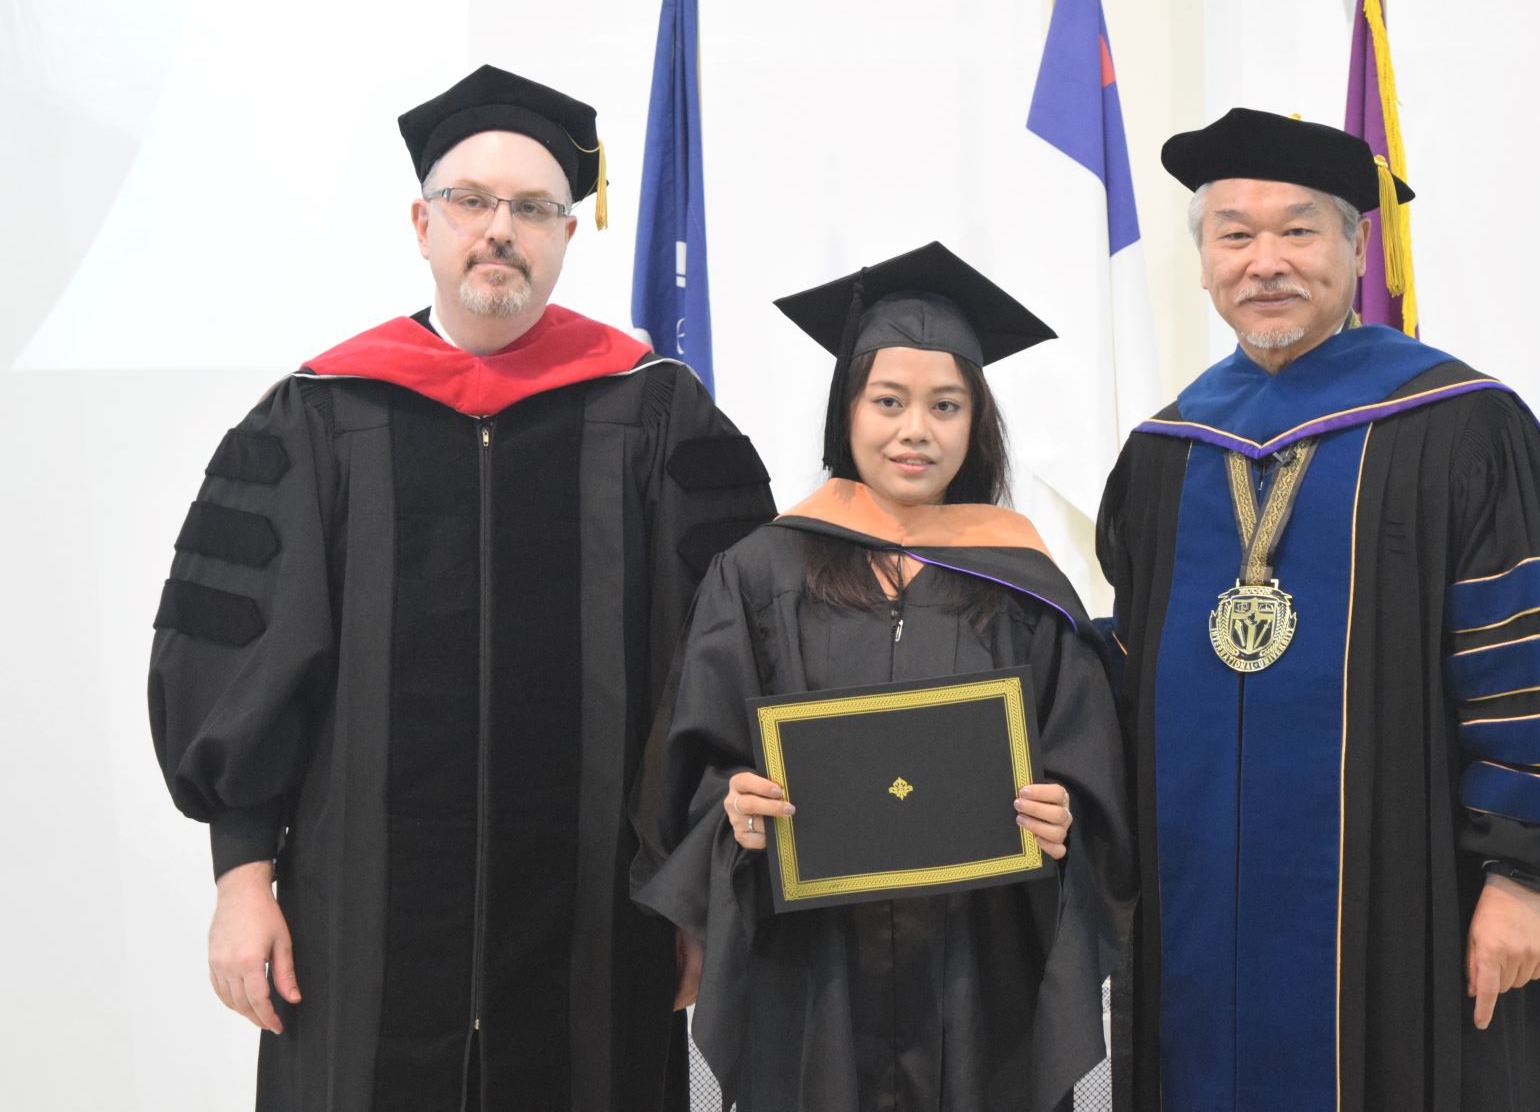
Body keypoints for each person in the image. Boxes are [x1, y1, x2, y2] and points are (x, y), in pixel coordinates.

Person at [148, 65, 775, 1111]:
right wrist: (241, 875)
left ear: (569, 235)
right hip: (359, 925)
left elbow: (728, 663)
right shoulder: (316, 419)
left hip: (599, 924)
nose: (501, 229)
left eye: (534, 208)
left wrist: (702, 887)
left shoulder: (659, 419)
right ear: (422, 223)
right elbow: (236, 660)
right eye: (472, 202)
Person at [1096, 109, 1540, 1111]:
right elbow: (1127, 669)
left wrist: (1522, 880)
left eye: (1299, 231)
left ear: (1354, 245)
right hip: (1197, 908)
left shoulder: (1462, 427)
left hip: (1409, 905)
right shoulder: (1166, 453)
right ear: (1204, 260)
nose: (1266, 262)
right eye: (1235, 234)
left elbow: (1532, 665)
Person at [631, 242, 1134, 1112]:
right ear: (847, 412)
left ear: (977, 422)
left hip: (978, 970)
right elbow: (694, 765)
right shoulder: (757, 574)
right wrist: (733, 815)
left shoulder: (1025, 585)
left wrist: (1064, 814)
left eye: (945, 406)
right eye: (888, 402)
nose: (915, 431)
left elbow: (1089, 781)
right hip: (813, 969)